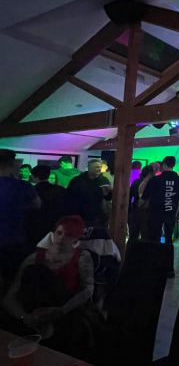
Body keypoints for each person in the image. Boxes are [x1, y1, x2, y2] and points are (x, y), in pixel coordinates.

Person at [1, 215, 102, 361]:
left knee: (41, 272)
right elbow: (11, 295)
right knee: (35, 270)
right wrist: (24, 317)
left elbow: (87, 290)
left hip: (65, 305)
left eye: (68, 235)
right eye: (59, 233)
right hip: (34, 309)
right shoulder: (34, 258)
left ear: (76, 238)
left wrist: (62, 310)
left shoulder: (82, 256)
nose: (62, 238)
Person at [0, 149, 40, 284]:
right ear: (12, 164)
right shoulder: (23, 185)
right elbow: (37, 205)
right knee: (12, 279)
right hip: (14, 238)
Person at [140, 156, 179, 277]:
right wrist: (175, 213)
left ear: (164, 164)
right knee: (169, 240)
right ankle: (169, 269)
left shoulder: (155, 180)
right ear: (173, 164)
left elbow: (144, 197)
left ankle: (155, 266)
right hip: (170, 212)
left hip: (155, 212)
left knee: (155, 239)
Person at [66, 159, 112, 227]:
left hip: (98, 214)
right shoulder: (77, 180)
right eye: (97, 167)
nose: (99, 169)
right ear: (89, 167)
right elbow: (69, 197)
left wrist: (109, 192)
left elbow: (108, 198)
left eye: (100, 167)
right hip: (80, 213)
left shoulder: (104, 180)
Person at [30, 165, 66, 244]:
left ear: (34, 176)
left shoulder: (32, 190)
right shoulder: (60, 189)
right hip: (55, 224)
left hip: (35, 225)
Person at [129, 165, 155, 241]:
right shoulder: (149, 184)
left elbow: (130, 196)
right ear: (150, 174)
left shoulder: (136, 182)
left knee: (133, 234)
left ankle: (130, 248)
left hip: (135, 210)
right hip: (146, 211)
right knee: (146, 235)